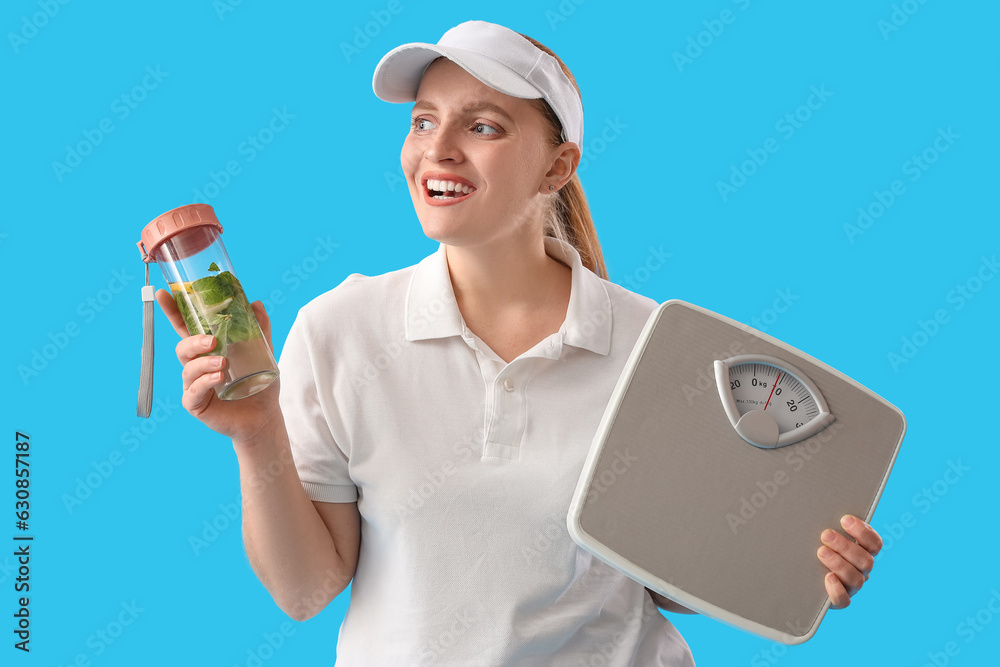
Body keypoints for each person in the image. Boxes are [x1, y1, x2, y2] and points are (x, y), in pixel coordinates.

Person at [155, 20, 883, 665]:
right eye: (422, 121)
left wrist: (802, 564)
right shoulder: (340, 328)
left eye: (483, 127)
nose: (436, 149)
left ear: (557, 167)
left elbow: (671, 574)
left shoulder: (652, 343)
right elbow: (306, 590)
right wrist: (255, 433)